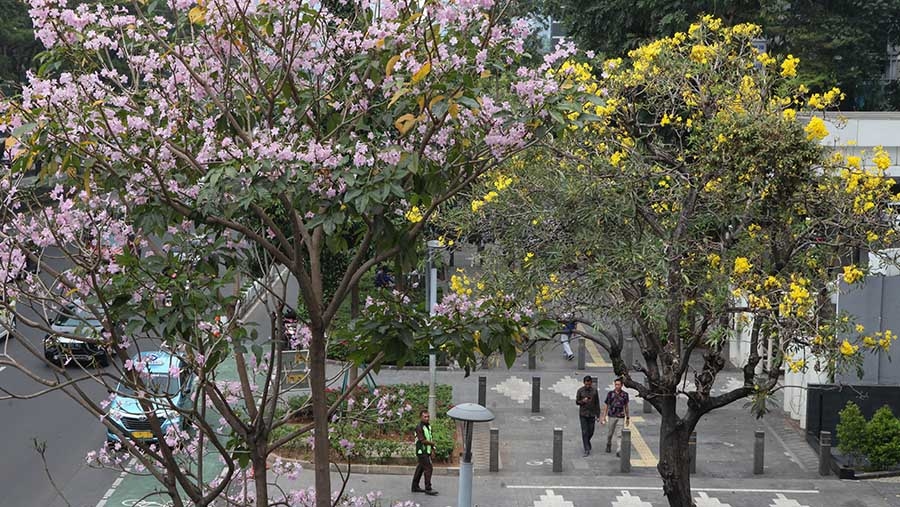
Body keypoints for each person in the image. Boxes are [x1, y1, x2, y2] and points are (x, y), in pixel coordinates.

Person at [411, 410, 439, 496]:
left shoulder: (428, 426)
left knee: (420, 468)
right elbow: (422, 440)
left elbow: (430, 437)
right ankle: (428, 488)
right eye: (425, 417)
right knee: (428, 468)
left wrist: (432, 449)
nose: (427, 418)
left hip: (426, 451)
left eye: (428, 417)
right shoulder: (419, 427)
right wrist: (433, 444)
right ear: (421, 417)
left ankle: (415, 486)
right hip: (421, 451)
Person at [601, 378, 630, 456]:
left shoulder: (625, 395)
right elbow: (606, 405)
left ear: (622, 385)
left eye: (618, 384)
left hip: (621, 416)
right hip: (612, 415)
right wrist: (604, 416)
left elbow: (626, 406)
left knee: (620, 434)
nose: (617, 386)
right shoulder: (610, 394)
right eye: (616, 384)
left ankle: (619, 449)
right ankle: (608, 443)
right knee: (610, 433)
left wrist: (627, 417)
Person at [575, 375, 601, 457]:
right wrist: (582, 401)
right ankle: (586, 448)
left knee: (591, 431)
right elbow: (577, 402)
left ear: (591, 383)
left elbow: (597, 403)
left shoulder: (594, 391)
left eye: (589, 384)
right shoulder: (580, 391)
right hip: (583, 414)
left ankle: (587, 441)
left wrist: (598, 415)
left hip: (592, 414)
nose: (587, 386)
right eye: (586, 384)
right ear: (584, 383)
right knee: (584, 431)